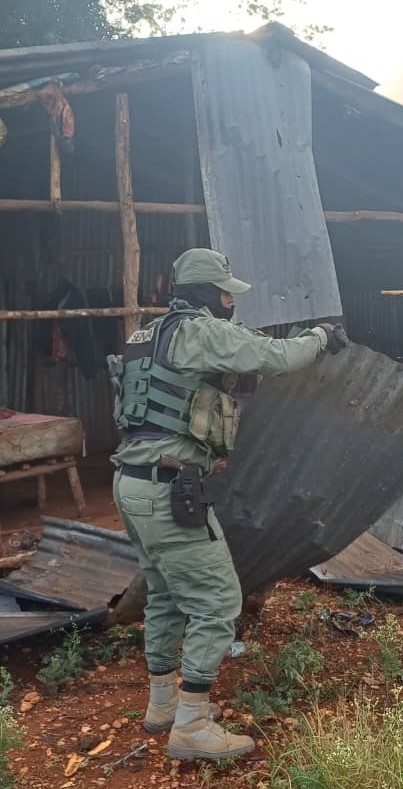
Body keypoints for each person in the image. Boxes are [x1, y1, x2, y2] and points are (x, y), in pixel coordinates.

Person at [109, 248, 348, 761]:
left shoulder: (144, 336)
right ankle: (192, 727)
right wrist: (322, 337)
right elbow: (276, 357)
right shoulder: (201, 332)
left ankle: (163, 705)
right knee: (218, 604)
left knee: (166, 593)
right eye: (226, 292)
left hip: (132, 483)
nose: (230, 301)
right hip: (167, 490)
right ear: (207, 293)